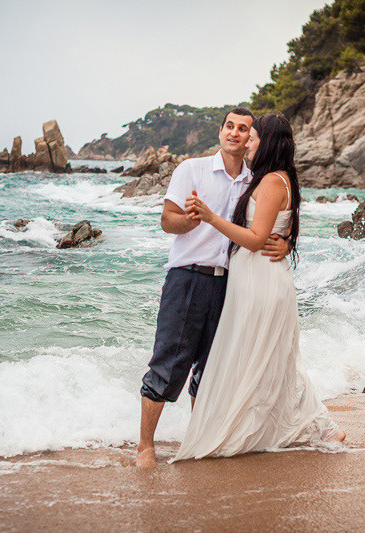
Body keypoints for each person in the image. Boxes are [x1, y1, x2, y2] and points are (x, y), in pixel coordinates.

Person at [172, 113, 345, 461]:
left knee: (263, 358)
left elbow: (254, 240)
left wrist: (210, 217)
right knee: (272, 360)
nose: (247, 140)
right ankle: (318, 427)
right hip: (260, 277)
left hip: (260, 278)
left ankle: (316, 426)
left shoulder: (270, 183)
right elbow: (283, 225)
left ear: (267, 142)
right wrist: (288, 240)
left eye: (253, 136)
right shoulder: (274, 179)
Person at [136, 108, 290, 467]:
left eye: (244, 130)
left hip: (233, 285)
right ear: (220, 131)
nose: (235, 134)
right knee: (169, 365)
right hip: (188, 277)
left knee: (212, 369)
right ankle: (145, 447)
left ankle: (199, 441)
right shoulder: (192, 169)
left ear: (253, 138)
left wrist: (287, 241)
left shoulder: (257, 179)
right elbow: (166, 221)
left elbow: (279, 216)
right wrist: (189, 220)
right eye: (229, 127)